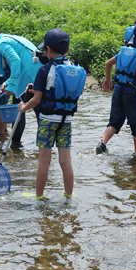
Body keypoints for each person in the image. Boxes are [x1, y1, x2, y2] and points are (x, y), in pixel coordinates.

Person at [18, 29, 85, 198]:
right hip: (66, 120)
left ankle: (39, 195)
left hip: (47, 121)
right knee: (65, 161)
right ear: (68, 50)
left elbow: (37, 100)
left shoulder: (45, 70)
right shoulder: (75, 69)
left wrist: (23, 107)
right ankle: (69, 194)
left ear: (47, 49)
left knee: (44, 161)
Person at [0, 23, 42, 145]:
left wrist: (12, 86)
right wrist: (8, 82)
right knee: (36, 112)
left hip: (32, 78)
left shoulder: (2, 43)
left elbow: (16, 61)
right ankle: (42, 147)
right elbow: (19, 64)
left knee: (20, 111)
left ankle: (16, 147)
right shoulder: (7, 38)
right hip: (35, 75)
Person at [96, 21, 136, 154]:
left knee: (115, 122)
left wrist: (108, 79)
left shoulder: (124, 51)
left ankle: (102, 143)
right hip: (132, 93)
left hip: (118, 90)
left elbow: (108, 63)